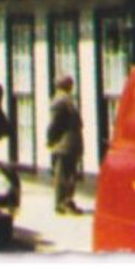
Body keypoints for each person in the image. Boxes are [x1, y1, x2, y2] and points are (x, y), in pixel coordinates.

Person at [47, 76, 85, 215]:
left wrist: (50, 139)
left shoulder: (59, 100)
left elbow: (53, 124)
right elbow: (57, 124)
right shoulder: (66, 101)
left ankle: (63, 202)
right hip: (69, 143)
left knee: (63, 175)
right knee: (67, 175)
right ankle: (64, 202)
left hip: (64, 143)